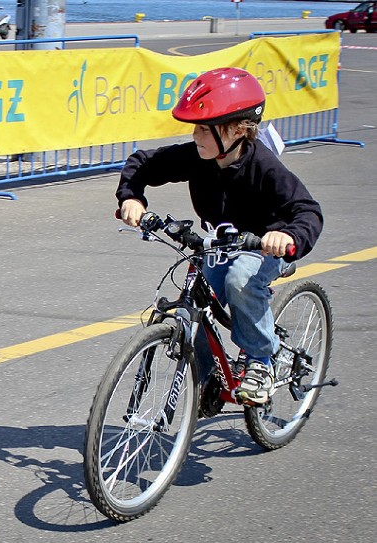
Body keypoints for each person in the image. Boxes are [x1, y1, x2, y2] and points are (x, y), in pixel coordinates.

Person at [115, 67, 323, 404]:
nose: (196, 135)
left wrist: (287, 238)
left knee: (240, 279)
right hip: (218, 245)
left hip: (263, 250)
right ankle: (208, 378)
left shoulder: (264, 167)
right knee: (191, 300)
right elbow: (143, 163)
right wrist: (131, 197)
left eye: (203, 128)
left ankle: (260, 362)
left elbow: (307, 211)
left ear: (236, 130)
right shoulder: (200, 157)